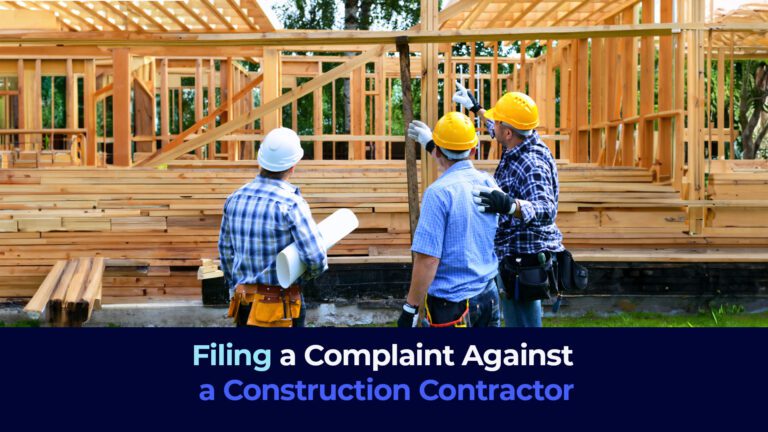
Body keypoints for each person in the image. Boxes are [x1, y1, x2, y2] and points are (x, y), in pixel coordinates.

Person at [453, 82, 564, 328]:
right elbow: (498, 127)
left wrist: (510, 206)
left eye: (499, 123)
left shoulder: (532, 163)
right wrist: (476, 109)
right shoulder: (519, 139)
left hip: (523, 259)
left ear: (508, 133)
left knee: (522, 323)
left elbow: (547, 209)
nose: (495, 126)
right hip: (512, 255)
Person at [397, 111, 501, 328]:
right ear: (473, 150)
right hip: (488, 294)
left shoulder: (439, 193)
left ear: (436, 151)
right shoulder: (488, 183)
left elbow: (428, 260)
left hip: (453, 305)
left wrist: (410, 307)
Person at [218, 127, 327, 327]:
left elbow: (225, 254)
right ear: (294, 165)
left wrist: (235, 284)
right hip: (282, 307)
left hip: (244, 302)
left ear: (260, 160)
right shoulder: (291, 204)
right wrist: (299, 275)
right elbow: (315, 259)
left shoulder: (234, 199)